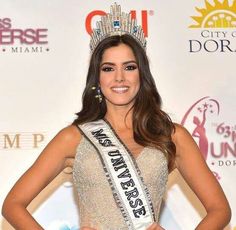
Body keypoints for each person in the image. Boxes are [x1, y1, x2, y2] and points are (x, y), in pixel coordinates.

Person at [2, 3, 231, 230]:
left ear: (142, 74)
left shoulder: (172, 135)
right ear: (97, 78)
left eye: (129, 67)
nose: (119, 78)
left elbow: (220, 210)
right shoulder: (74, 137)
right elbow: (13, 205)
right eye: (109, 68)